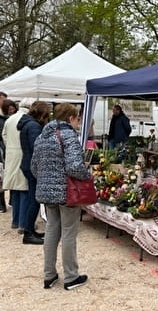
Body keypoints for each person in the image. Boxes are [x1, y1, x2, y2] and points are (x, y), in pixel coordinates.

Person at [31, 103, 90, 290]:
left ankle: (49, 275)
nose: (78, 121)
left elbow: (34, 167)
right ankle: (71, 277)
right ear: (70, 118)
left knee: (51, 231)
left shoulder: (42, 136)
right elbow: (74, 167)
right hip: (67, 193)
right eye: (77, 118)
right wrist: (87, 175)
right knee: (69, 233)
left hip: (47, 193)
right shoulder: (69, 136)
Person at [17, 101, 50, 245]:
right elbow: (38, 148)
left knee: (33, 198)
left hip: (27, 164)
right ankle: (28, 233)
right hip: (32, 166)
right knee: (34, 200)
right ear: (42, 113)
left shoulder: (27, 124)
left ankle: (29, 230)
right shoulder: (34, 126)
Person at [2, 98, 34, 227]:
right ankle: (23, 223)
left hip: (11, 156)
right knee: (25, 189)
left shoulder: (9, 119)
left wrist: (10, 147)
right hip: (23, 155)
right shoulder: (28, 120)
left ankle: (15, 221)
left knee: (15, 190)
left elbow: (4, 135)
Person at [0, 99, 18, 212]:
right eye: (9, 109)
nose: (11, 110)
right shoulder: (2, 120)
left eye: (13, 108)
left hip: (9, 151)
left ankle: (12, 200)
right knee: (1, 178)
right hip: (3, 152)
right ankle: (2, 204)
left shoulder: (16, 118)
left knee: (12, 176)